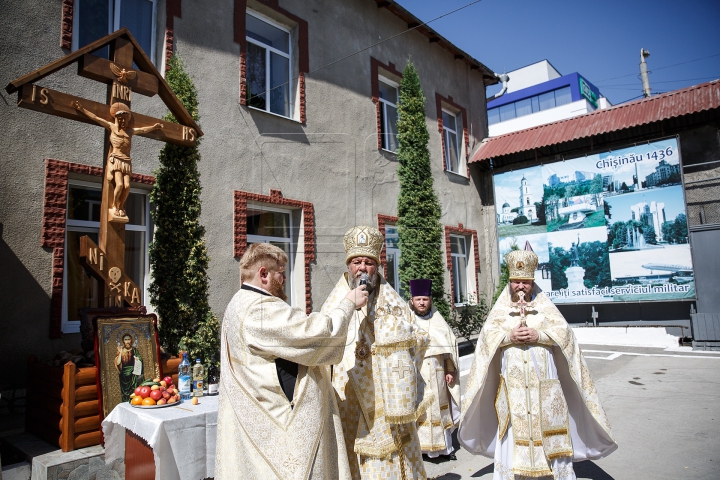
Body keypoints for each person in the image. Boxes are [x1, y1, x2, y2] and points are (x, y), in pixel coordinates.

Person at [457, 248, 617, 479]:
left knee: (548, 427)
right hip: (512, 389)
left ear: (532, 283)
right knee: (514, 427)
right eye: (516, 282)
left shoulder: (545, 308)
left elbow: (566, 336)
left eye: (525, 282)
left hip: (545, 388)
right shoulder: (500, 311)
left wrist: (540, 335)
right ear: (509, 282)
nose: (520, 287)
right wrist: (508, 337)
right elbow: (485, 341)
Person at [214, 243, 369, 479]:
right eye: (281, 273)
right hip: (279, 423)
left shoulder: (238, 303)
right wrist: (348, 303)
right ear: (263, 274)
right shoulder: (259, 309)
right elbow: (314, 334)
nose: (284, 280)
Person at [322, 225, 430, 480]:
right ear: (349, 267)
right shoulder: (336, 301)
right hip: (349, 397)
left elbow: (420, 337)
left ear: (377, 267)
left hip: (388, 394)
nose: (362, 268)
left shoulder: (393, 301)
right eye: (356, 262)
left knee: (393, 457)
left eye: (368, 262)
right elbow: (323, 339)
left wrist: (396, 337)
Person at [72, 100, 162, 220]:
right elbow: (96, 118)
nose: (123, 121)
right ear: (117, 119)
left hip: (126, 160)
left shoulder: (130, 131)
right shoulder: (112, 127)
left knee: (127, 186)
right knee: (119, 185)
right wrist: (82, 109)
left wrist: (154, 127)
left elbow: (143, 130)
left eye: (126, 119)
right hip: (116, 159)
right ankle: (114, 205)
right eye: (121, 119)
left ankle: (121, 206)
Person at [408, 279, 460, 461]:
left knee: (439, 409)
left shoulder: (439, 322)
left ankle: (445, 448)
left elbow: (448, 351)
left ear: (430, 300)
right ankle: (420, 449)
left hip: (437, 372)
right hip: (417, 374)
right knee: (420, 410)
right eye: (418, 299)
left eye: (425, 299)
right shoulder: (407, 322)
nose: (421, 303)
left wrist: (450, 369)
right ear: (412, 301)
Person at [114, 333, 143, 402]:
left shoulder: (135, 350)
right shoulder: (121, 351)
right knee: (125, 393)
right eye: (125, 339)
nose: (127, 341)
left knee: (134, 390)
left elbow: (140, 359)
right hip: (124, 375)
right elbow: (117, 363)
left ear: (131, 340)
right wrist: (120, 352)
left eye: (128, 339)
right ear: (123, 341)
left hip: (134, 373)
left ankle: (136, 401)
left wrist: (138, 359)